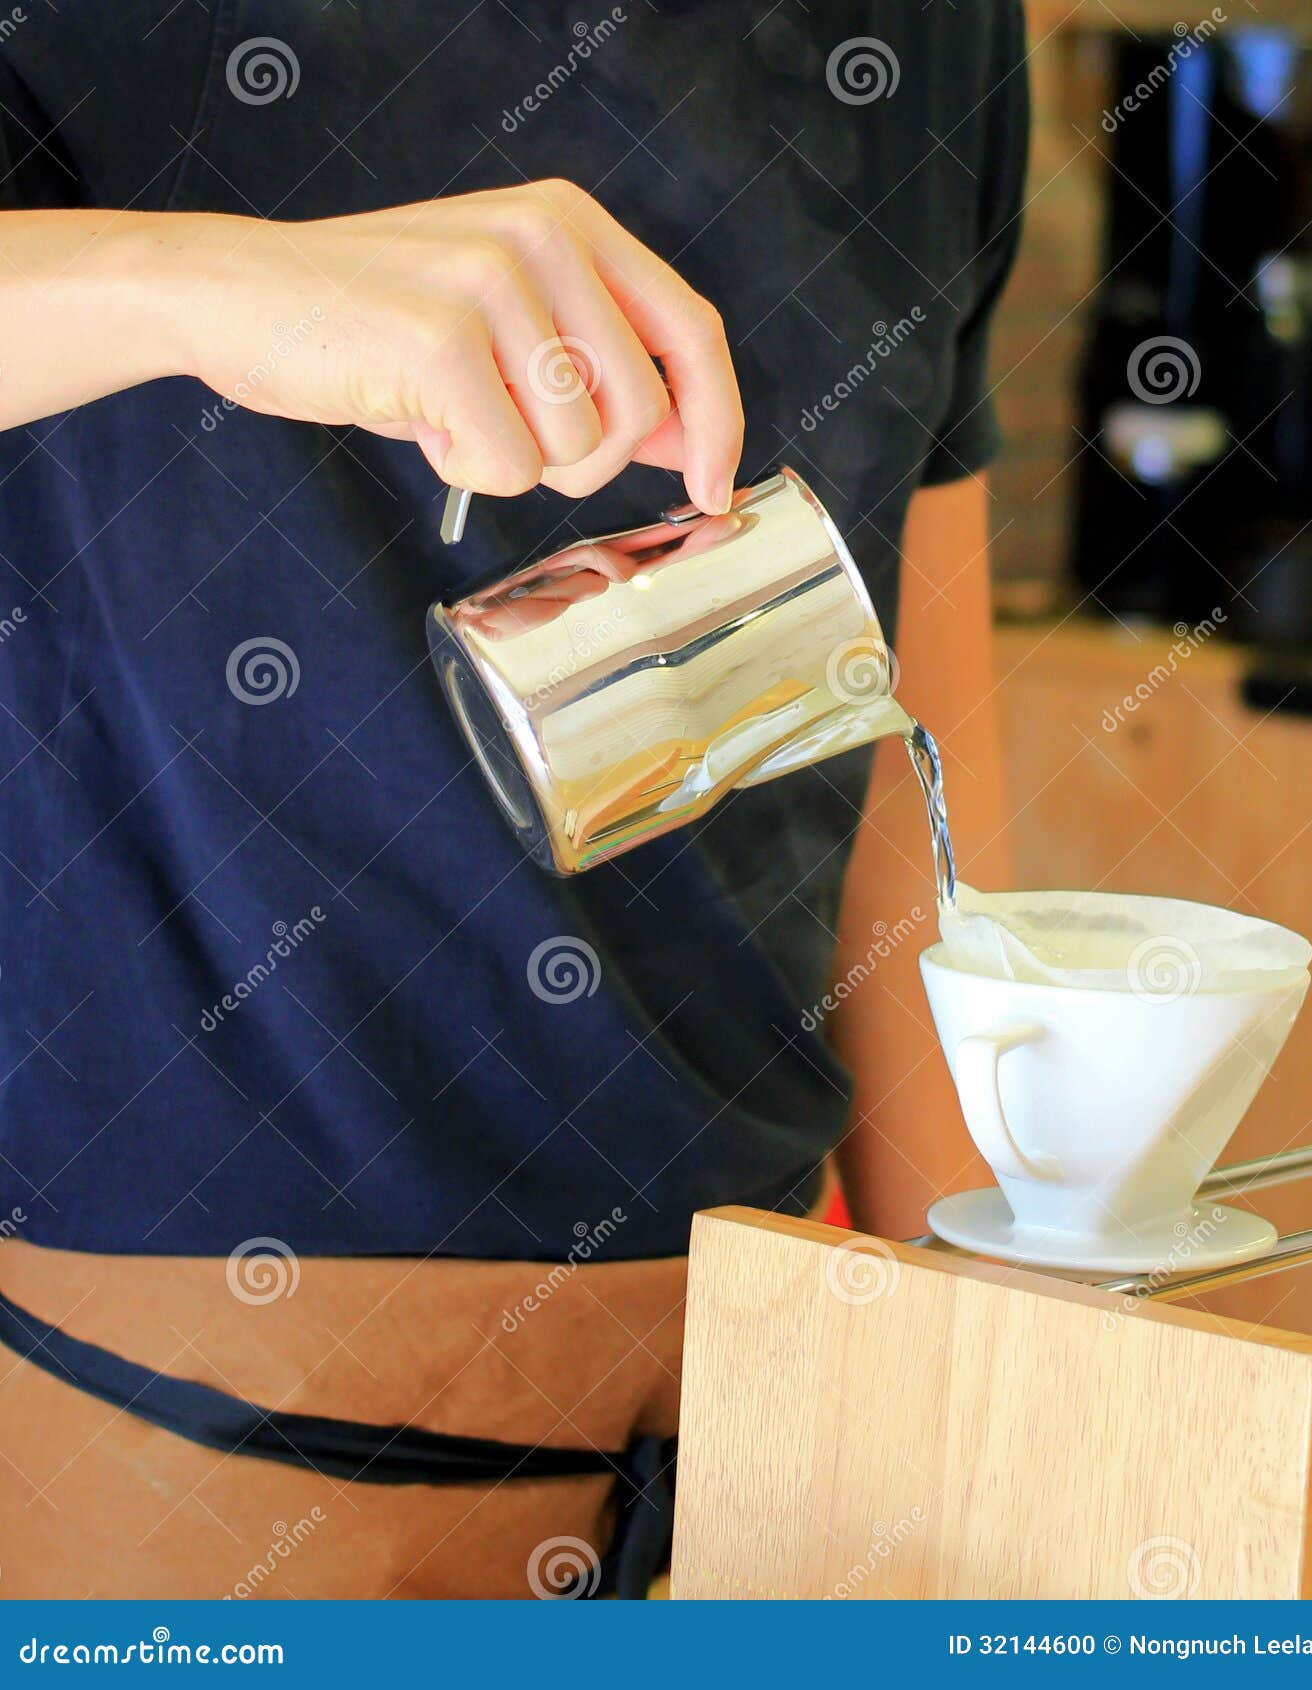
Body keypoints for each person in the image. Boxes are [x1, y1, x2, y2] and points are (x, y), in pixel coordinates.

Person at [0, 2, 1026, 1597]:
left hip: (776, 1448)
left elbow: (897, 715)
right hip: (208, 1463)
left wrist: (996, 1397)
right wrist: (196, 279)